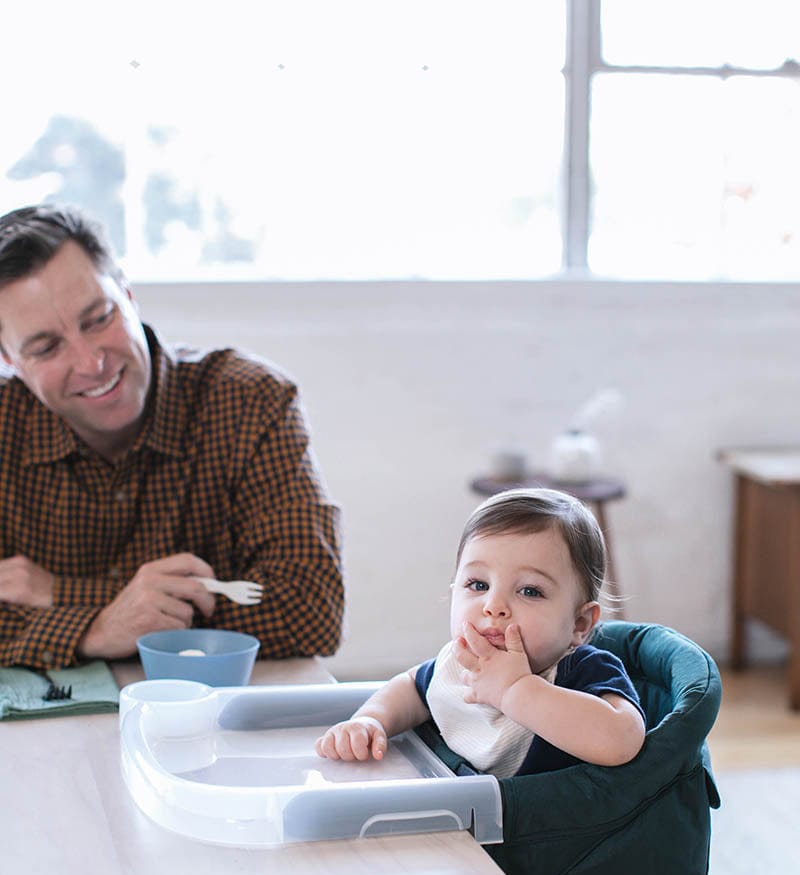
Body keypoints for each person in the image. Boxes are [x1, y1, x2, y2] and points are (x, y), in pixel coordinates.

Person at [0, 204, 344, 669]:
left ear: (128, 295)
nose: (90, 362)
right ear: (9, 361)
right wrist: (96, 631)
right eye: (46, 347)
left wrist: (61, 595)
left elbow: (310, 610)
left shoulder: (249, 401)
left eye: (99, 318)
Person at [316, 488, 645, 774]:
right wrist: (371, 721)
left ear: (579, 624)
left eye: (530, 591)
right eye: (478, 584)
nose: (493, 605)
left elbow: (622, 741)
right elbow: (411, 689)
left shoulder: (583, 670)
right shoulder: (461, 664)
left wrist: (515, 689)